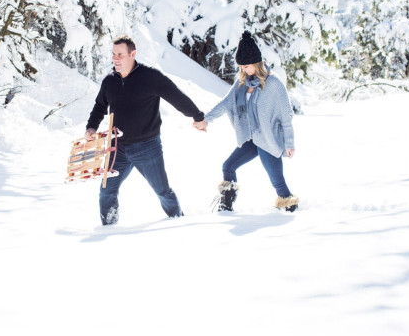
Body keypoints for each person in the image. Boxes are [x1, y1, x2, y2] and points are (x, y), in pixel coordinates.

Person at [85, 36, 205, 225]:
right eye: (114, 54)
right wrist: (91, 127)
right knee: (106, 191)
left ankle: (178, 222)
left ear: (133, 54)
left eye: (120, 55)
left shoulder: (150, 77)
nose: (116, 58)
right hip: (118, 148)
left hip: (146, 147)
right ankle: (108, 228)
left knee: (162, 191)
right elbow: (100, 106)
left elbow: (176, 96)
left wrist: (197, 116)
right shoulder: (110, 81)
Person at [194, 31, 299, 213]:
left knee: (277, 180)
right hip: (250, 139)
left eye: (247, 66)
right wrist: (206, 119)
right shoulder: (241, 84)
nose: (244, 70)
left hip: (267, 140)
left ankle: (289, 209)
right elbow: (226, 103)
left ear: (257, 64)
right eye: (241, 66)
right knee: (228, 166)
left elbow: (286, 116)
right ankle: (226, 207)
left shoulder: (273, 83)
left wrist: (289, 143)